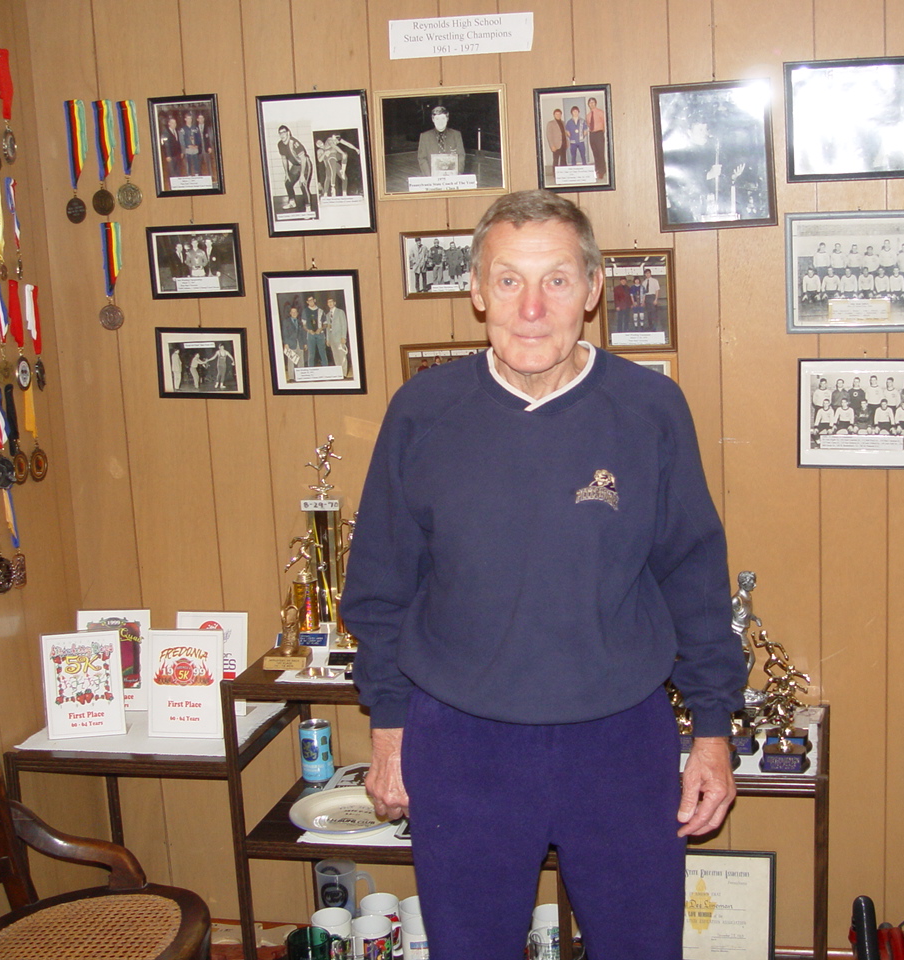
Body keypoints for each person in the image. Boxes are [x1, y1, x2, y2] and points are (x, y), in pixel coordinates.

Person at [341, 190, 743, 960]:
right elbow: (381, 589)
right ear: (476, 291)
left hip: (619, 742)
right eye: (509, 280)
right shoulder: (422, 412)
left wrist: (713, 731)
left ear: (592, 290)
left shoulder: (651, 409)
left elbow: (694, 579)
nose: (532, 308)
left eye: (556, 280)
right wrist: (388, 730)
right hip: (461, 744)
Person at [418, 105, 466, 177]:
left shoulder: (456, 135)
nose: (440, 122)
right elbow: (422, 158)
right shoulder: (425, 137)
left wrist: (456, 175)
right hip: (432, 177)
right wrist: (429, 177)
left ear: (447, 119)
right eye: (437, 119)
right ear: (433, 120)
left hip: (452, 178)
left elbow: (461, 156)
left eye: (443, 118)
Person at [276, 125, 313, 212]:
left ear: (288, 133)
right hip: (296, 166)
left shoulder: (294, 143)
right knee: (288, 182)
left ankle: (308, 207)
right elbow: (284, 159)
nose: (282, 135)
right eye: (280, 133)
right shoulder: (280, 144)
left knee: (303, 184)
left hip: (305, 164)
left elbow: (303, 159)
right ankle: (292, 202)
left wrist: (302, 175)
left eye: (284, 132)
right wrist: (286, 173)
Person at [324, 296, 349, 377]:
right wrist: (328, 339)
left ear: (334, 303)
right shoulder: (327, 315)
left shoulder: (340, 312)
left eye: (331, 302)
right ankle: (339, 373)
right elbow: (328, 328)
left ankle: (344, 373)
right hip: (332, 339)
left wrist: (343, 337)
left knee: (342, 356)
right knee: (335, 356)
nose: (330, 303)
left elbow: (344, 325)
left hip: (339, 338)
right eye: (328, 302)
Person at [302, 294, 327, 367]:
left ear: (314, 300)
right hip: (310, 335)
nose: (311, 302)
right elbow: (304, 325)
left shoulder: (321, 311)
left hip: (320, 334)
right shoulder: (305, 311)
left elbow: (325, 324)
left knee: (322, 352)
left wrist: (320, 328)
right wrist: (309, 330)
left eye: (312, 300)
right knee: (311, 354)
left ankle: (326, 369)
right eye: (309, 301)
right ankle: (311, 370)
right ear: (307, 302)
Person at [587, 97, 608, 179]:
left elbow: (605, 123)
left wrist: (602, 132)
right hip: (592, 135)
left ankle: (602, 171)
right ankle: (597, 170)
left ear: (595, 103)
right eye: (590, 103)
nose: (591, 104)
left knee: (600, 153)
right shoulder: (588, 115)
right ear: (588, 105)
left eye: (593, 102)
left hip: (599, 134)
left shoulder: (600, 112)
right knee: (595, 153)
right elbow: (589, 125)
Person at [179, 112, 202, 176]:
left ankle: (196, 174)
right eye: (188, 118)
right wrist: (187, 145)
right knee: (188, 163)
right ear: (185, 119)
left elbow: (198, 138)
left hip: (195, 149)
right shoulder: (183, 129)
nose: (189, 120)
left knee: (196, 163)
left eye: (190, 119)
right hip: (188, 149)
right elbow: (181, 140)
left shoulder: (195, 128)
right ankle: (189, 175)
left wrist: (197, 145)